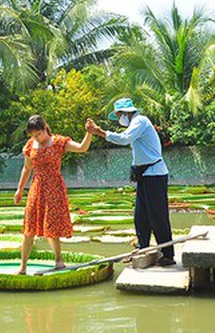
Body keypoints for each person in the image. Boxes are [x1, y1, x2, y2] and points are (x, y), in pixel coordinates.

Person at [86, 98, 175, 266]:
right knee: (141, 215)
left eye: (119, 114)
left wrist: (100, 132)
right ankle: (142, 248)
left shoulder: (140, 121)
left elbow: (124, 138)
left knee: (158, 216)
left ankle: (168, 254)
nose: (119, 118)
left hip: (154, 175)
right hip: (145, 176)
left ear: (126, 112)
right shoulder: (135, 123)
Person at [14, 115, 92, 274]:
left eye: (38, 134)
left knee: (51, 226)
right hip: (37, 187)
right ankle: (22, 267)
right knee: (29, 227)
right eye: (33, 135)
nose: (36, 138)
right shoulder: (31, 145)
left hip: (54, 188)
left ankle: (58, 261)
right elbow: (27, 168)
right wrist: (20, 189)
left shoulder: (58, 142)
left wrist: (89, 132)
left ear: (45, 129)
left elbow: (82, 148)